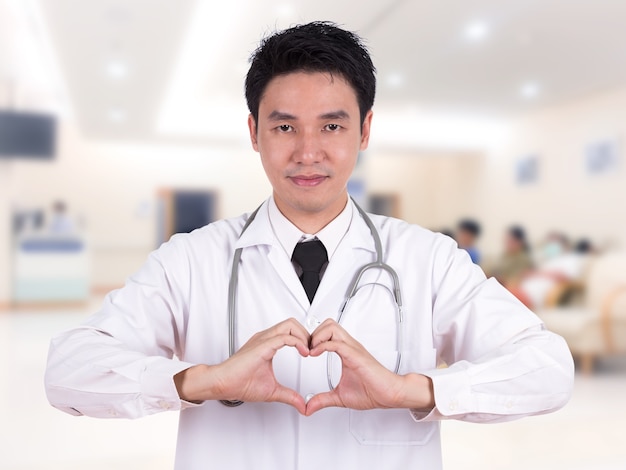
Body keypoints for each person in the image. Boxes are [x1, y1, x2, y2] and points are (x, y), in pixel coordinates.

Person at [45, 22, 574, 470]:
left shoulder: (427, 260)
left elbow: (548, 369)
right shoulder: (191, 259)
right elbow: (68, 371)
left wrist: (411, 390)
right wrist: (199, 380)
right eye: (284, 126)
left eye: (332, 125)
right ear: (254, 132)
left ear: (364, 131)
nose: (307, 151)